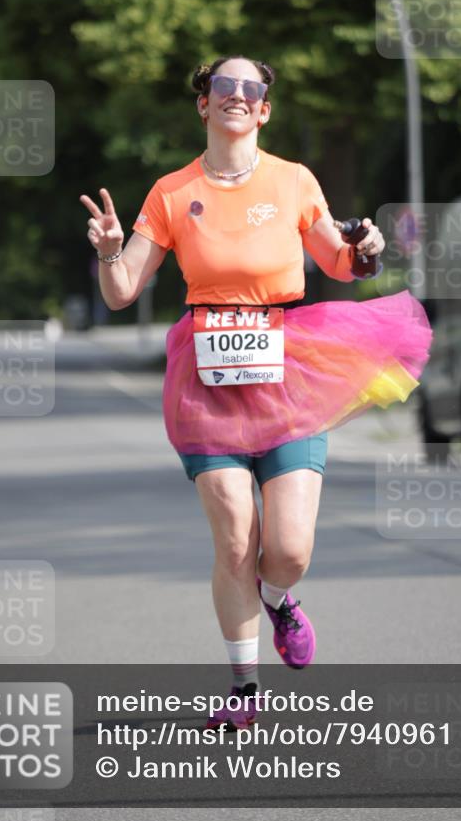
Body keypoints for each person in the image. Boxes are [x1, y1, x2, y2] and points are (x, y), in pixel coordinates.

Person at [80, 55, 432, 730]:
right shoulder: (171, 192)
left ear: (264, 109)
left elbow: (340, 261)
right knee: (236, 538)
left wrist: (368, 249)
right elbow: (122, 292)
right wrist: (107, 248)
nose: (238, 96)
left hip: (286, 370)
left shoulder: (294, 181)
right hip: (205, 380)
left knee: (290, 548)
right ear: (204, 105)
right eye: (224, 87)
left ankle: (278, 598)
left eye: (252, 89)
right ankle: (244, 692)